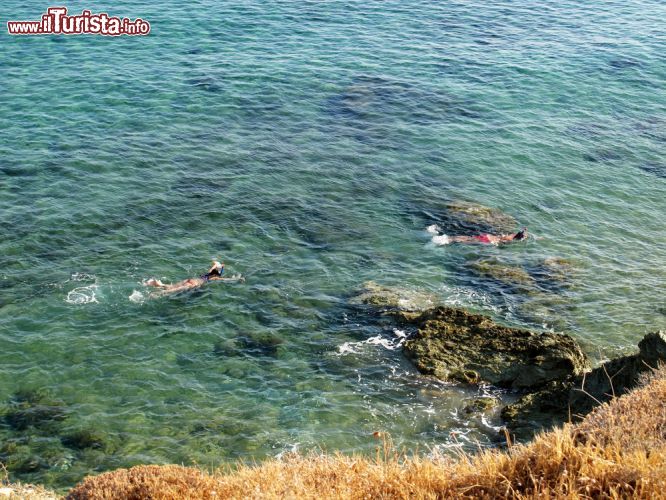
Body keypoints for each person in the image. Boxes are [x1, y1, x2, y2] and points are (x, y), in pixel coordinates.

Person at [144, 260, 241, 294]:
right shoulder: (214, 277)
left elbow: (215, 262)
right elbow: (226, 279)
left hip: (190, 280)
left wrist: (216, 266)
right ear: (218, 274)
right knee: (170, 291)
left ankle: (157, 283)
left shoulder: (209, 272)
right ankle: (155, 294)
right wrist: (238, 278)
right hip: (194, 284)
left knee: (171, 286)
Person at [427, 225, 528, 246]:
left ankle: (443, 237)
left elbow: (518, 233)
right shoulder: (510, 239)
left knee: (466, 238)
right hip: (487, 240)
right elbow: (501, 241)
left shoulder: (511, 235)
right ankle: (443, 240)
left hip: (487, 236)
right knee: (465, 240)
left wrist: (523, 231)